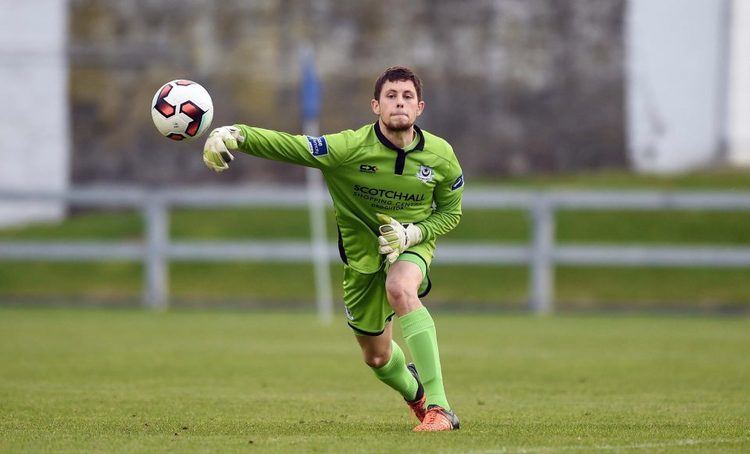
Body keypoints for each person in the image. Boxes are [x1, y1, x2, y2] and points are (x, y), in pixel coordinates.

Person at [202, 66, 464, 432]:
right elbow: (294, 146)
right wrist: (237, 134)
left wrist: (413, 235)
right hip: (360, 261)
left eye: (407, 96)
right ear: (376, 105)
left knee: (400, 287)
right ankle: (416, 394)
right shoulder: (348, 148)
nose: (399, 103)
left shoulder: (441, 155)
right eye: (391, 96)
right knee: (377, 357)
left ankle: (441, 408)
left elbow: (451, 211)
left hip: (412, 247)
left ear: (420, 107)